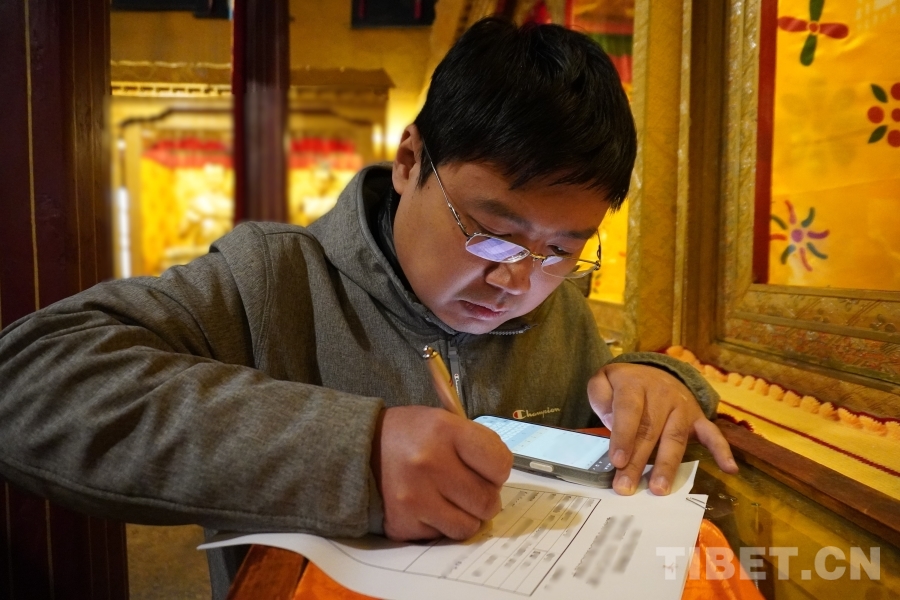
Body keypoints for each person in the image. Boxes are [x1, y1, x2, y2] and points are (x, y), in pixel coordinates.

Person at [0, 17, 736, 596]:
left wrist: (656, 378)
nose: (519, 281)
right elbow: (29, 381)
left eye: (562, 250)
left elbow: (606, 419)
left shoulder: (558, 312)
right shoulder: (274, 281)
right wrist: (354, 455)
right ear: (411, 161)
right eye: (491, 234)